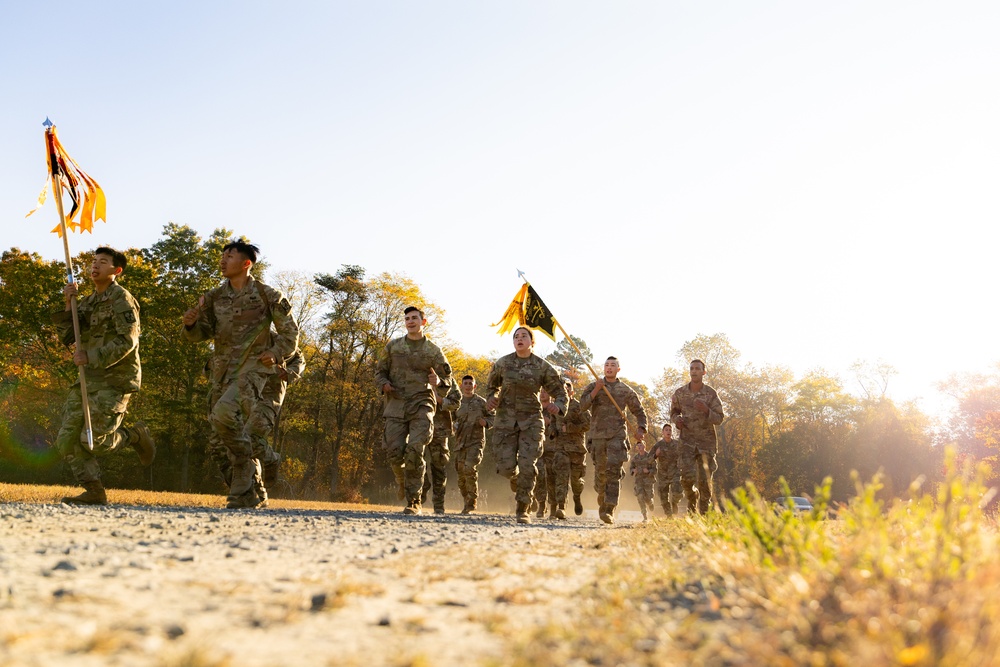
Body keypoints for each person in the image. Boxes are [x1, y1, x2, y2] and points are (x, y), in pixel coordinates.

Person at [182, 240, 299, 509]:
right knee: (216, 441)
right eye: (222, 256)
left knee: (224, 415)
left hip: (253, 370)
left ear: (246, 263)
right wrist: (191, 325)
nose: (223, 261)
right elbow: (202, 333)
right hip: (222, 372)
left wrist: (275, 353)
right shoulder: (213, 297)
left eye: (230, 256)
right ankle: (252, 493)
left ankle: (243, 480)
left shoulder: (269, 295)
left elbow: (290, 334)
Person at [54, 247, 155, 505]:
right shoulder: (87, 301)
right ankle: (94, 490)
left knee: (94, 442)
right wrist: (69, 304)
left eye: (102, 262)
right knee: (66, 439)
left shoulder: (122, 298)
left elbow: (127, 341)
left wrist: (91, 356)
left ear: (116, 270)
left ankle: (134, 436)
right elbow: (67, 337)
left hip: (115, 379)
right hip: (87, 379)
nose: (95, 265)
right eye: (93, 261)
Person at [374, 305, 454, 515]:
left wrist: (439, 381)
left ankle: (414, 501)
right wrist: (383, 383)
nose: (410, 321)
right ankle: (402, 479)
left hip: (422, 404)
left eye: (415, 318)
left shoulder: (433, 350)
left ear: (423, 322)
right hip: (396, 404)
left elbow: (448, 380)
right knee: (395, 453)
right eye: (408, 319)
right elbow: (379, 372)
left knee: (415, 449)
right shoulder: (393, 347)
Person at [485, 326, 567, 524]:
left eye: (524, 336)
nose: (519, 339)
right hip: (505, 420)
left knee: (528, 464)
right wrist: (491, 398)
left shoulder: (542, 366)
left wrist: (558, 406)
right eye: (516, 337)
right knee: (505, 467)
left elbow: (560, 391)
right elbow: (491, 386)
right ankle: (515, 479)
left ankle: (523, 508)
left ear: (532, 341)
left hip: (531, 421)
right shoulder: (503, 363)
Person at [579, 356, 647, 524]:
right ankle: (602, 496)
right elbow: (581, 407)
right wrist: (596, 390)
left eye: (613, 365)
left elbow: (639, 411)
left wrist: (640, 429)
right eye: (607, 365)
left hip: (617, 436)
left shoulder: (625, 390)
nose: (609, 368)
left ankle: (609, 508)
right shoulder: (594, 385)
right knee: (601, 475)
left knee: (613, 472)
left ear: (618, 369)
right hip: (597, 437)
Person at [671, 359, 725, 514]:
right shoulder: (680, 393)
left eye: (697, 369)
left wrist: (707, 410)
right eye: (692, 368)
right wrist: (677, 421)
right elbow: (673, 412)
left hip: (706, 443)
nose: (694, 371)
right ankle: (692, 497)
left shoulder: (711, 394)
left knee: (705, 482)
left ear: (703, 372)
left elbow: (719, 418)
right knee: (686, 479)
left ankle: (703, 514)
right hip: (686, 442)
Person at [452, 375, 494, 514]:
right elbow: (449, 419)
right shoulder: (457, 402)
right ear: (461, 385)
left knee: (469, 467)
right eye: (466, 383)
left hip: (476, 442)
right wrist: (452, 426)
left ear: (474, 386)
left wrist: (486, 422)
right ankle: (466, 499)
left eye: (471, 383)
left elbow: (493, 417)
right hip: (460, 443)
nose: (468, 386)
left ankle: (472, 502)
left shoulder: (481, 402)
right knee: (461, 475)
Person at [421, 379, 461, 514]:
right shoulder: (413, 372)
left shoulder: (447, 379)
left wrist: (439, 399)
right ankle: (419, 491)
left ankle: (438, 504)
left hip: (439, 429)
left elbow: (456, 403)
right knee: (413, 459)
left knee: (439, 466)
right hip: (417, 426)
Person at [560, 381, 591, 516]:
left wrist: (571, 428)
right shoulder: (557, 407)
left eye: (568, 390)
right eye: (563, 390)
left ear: (572, 392)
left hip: (577, 449)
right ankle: (561, 507)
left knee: (575, 481)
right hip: (560, 448)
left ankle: (577, 497)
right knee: (561, 477)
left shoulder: (579, 407)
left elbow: (587, 425)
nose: (565, 392)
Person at [650, 423, 682, 515]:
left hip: (675, 473)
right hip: (663, 475)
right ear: (662, 432)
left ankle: (674, 503)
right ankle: (669, 516)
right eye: (666, 430)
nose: (668, 431)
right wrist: (656, 455)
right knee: (663, 497)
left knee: (677, 492)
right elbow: (648, 460)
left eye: (670, 430)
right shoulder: (658, 445)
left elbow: (683, 456)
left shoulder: (677, 444)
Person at [628, 441, 656, 521]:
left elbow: (655, 469)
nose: (639, 446)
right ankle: (644, 516)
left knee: (648, 499)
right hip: (639, 481)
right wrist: (633, 470)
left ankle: (650, 503)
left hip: (648, 481)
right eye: (638, 445)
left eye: (641, 445)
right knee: (640, 497)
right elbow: (631, 468)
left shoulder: (649, 457)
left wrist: (648, 471)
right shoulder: (635, 458)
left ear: (644, 446)